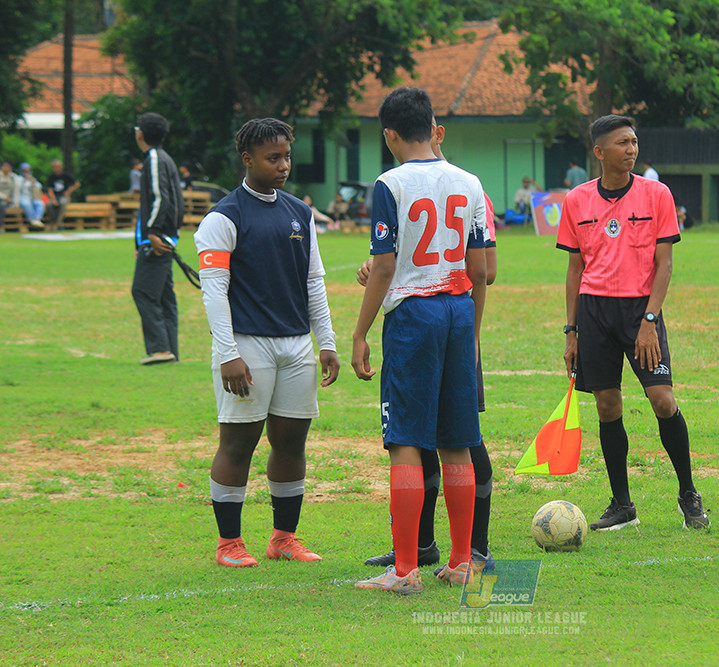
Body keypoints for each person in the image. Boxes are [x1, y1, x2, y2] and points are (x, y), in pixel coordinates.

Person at [352, 86, 488, 595]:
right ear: (433, 126)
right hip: (457, 308)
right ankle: (461, 562)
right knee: (457, 441)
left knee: (406, 440)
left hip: (414, 315)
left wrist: (361, 331)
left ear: (389, 134)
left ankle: (405, 570)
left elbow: (385, 266)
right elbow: (479, 268)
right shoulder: (470, 181)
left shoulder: (389, 183)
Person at [193, 117, 340, 568]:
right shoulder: (223, 217)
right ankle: (229, 544)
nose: (282, 165)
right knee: (238, 444)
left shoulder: (299, 212)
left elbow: (313, 280)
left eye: (286, 156)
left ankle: (283, 538)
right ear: (247, 159)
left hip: (296, 346)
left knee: (291, 444)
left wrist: (327, 340)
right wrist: (228, 353)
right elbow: (214, 291)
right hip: (247, 346)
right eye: (272, 158)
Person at [558, 114, 710, 532]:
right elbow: (574, 270)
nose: (631, 149)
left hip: (640, 312)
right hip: (594, 312)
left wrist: (649, 319)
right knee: (607, 405)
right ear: (599, 152)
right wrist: (571, 332)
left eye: (634, 141)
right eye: (622, 143)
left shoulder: (656, 194)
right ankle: (622, 503)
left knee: (662, 399)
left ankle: (688, 494)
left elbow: (665, 265)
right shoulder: (576, 200)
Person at [132, 112, 184, 366]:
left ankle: (160, 350)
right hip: (164, 237)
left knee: (142, 291)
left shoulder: (154, 158)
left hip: (157, 238)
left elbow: (160, 197)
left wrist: (151, 234)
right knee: (164, 297)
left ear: (140, 134)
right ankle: (170, 351)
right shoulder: (166, 159)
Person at [45, 159, 80, 231]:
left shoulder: (66, 175)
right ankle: (58, 223)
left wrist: (69, 191)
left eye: (57, 167)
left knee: (63, 203)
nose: (56, 168)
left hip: (64, 196)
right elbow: (50, 189)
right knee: (49, 205)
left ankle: (56, 224)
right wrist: (53, 199)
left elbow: (77, 184)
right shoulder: (51, 177)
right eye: (54, 167)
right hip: (55, 196)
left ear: (61, 167)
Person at [18, 163, 45, 228]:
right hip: (22, 197)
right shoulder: (18, 178)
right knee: (27, 204)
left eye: (28, 171)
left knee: (40, 203)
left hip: (32, 197)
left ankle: (37, 219)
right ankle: (32, 220)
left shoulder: (32, 179)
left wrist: (33, 181)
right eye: (24, 171)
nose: (26, 172)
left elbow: (39, 186)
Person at [0, 160, 21, 227]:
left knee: (2, 205)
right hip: (3, 197)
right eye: (5, 166)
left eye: (8, 167)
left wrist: (15, 202)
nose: (6, 168)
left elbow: (16, 190)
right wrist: (5, 197)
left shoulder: (13, 177)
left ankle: (0, 225)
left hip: (8, 199)